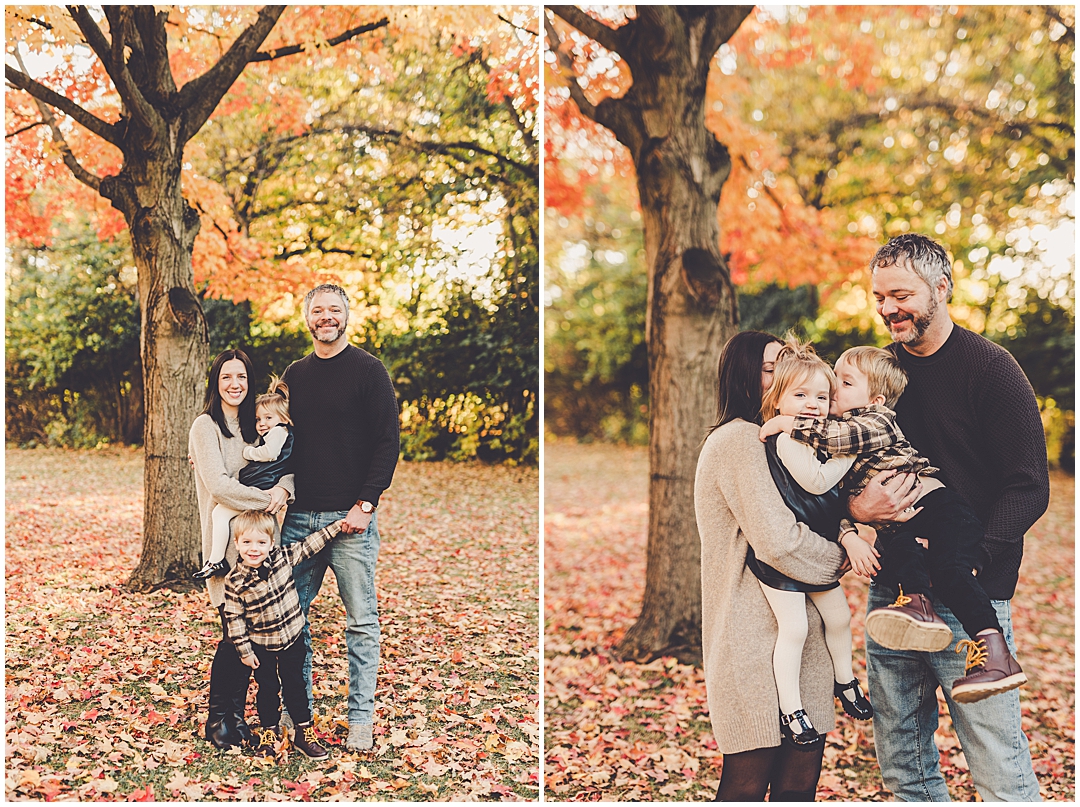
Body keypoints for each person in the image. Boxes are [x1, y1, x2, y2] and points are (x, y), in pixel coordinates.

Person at [847, 233, 1049, 801]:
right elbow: (844, 463)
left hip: (970, 594)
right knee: (903, 760)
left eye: (900, 294)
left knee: (996, 763)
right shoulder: (876, 375)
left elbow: (1030, 487)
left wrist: (965, 557)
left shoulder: (992, 369)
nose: (888, 309)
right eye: (879, 296)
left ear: (941, 288)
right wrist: (859, 509)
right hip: (895, 593)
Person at [761, 344, 1026, 704]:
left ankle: (996, 652)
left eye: (845, 381)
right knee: (901, 549)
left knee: (950, 571)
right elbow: (832, 500)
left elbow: (836, 438)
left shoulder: (875, 422)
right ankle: (918, 607)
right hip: (901, 523)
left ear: (875, 399)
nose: (834, 387)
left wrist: (786, 422)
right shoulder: (834, 431)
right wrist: (849, 534)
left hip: (939, 508)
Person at [695, 330, 848, 801]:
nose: (786, 375)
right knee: (745, 786)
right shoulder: (739, 440)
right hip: (752, 639)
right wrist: (846, 558)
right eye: (771, 368)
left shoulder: (788, 440)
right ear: (746, 378)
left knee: (797, 789)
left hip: (803, 637)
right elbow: (780, 543)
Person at [280, 283, 400, 752]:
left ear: (346, 315)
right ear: (307, 318)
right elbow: (274, 435)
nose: (326, 317)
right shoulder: (295, 374)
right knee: (291, 620)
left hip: (352, 522)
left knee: (361, 623)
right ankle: (297, 714)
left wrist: (366, 504)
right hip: (299, 520)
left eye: (334, 310)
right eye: (318, 310)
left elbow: (388, 443)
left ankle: (360, 723)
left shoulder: (369, 371)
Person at [750, 339, 874, 750]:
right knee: (796, 628)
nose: (812, 404)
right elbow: (817, 483)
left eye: (822, 396)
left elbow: (833, 504)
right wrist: (851, 453)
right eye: (800, 395)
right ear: (777, 398)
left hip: (815, 551)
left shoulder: (820, 437)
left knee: (838, 618)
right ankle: (792, 708)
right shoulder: (788, 441)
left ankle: (845, 680)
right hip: (780, 561)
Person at [188, 349, 292, 750]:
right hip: (227, 552)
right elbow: (218, 485)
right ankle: (221, 720)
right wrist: (266, 498)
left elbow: (286, 464)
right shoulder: (205, 426)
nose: (235, 384)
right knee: (234, 635)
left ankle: (240, 718)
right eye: (227, 376)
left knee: (256, 634)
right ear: (216, 382)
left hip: (263, 549)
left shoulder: (259, 423)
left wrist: (283, 489)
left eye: (242, 377)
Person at [223, 510, 343, 760]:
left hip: (292, 638)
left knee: (296, 686)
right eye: (246, 542)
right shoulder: (235, 581)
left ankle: (303, 731)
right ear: (236, 543)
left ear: (271, 543)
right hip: (261, 645)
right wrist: (244, 652)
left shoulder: (282, 558)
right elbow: (234, 619)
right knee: (267, 690)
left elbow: (308, 546)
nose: (253, 549)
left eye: (260, 542)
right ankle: (269, 732)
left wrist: (336, 527)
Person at [194, 377, 295, 580]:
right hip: (258, 495)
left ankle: (215, 560)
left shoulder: (278, 433)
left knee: (221, 514)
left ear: (283, 418)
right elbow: (218, 485)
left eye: (268, 418)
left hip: (260, 490)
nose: (262, 423)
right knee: (220, 514)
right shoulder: (206, 426)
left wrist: (249, 453)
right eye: (259, 419)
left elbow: (271, 455)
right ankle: (216, 560)